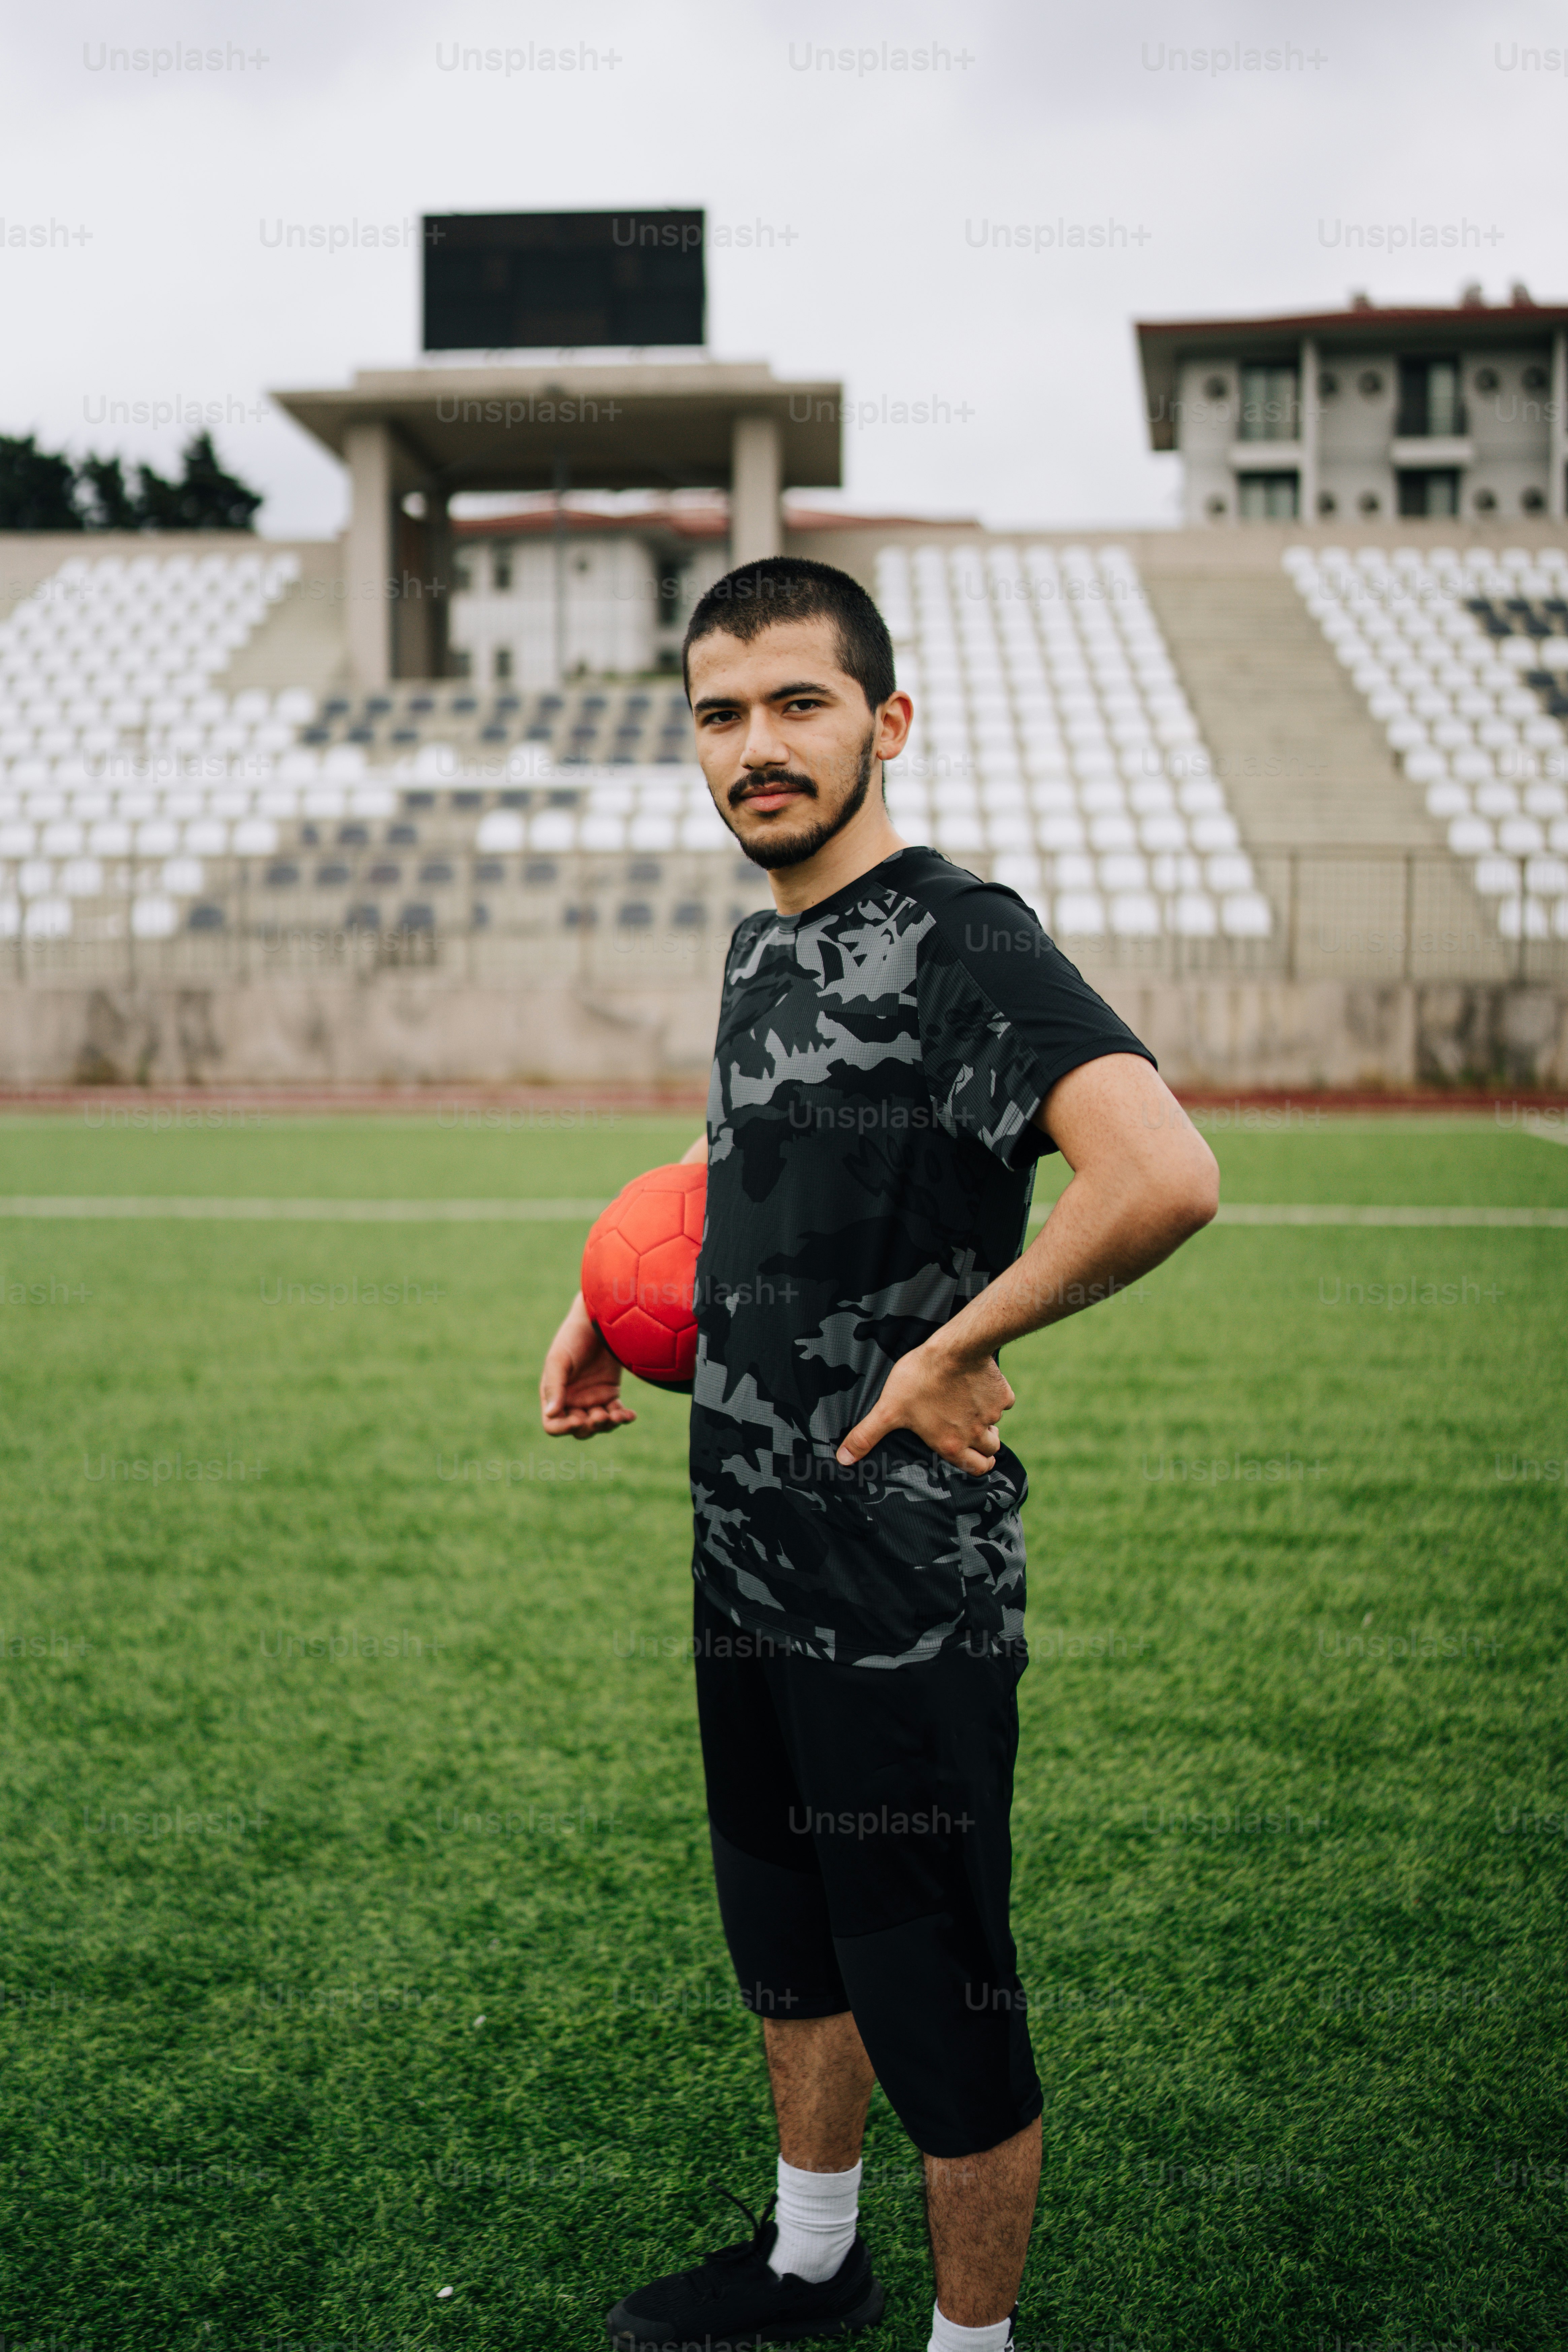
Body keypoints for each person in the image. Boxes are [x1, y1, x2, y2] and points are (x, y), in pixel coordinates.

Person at [541, 556, 1219, 2352]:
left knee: (931, 1975)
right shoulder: (766, 938)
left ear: (883, 721)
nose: (754, 747)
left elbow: (1161, 1172)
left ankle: (969, 2346)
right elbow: (747, 1170)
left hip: (900, 1582)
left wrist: (955, 1343)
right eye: (718, 714)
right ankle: (810, 2262)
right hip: (742, 1555)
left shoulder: (960, 931)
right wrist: (605, 1300)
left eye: (797, 705)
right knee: (781, 1924)